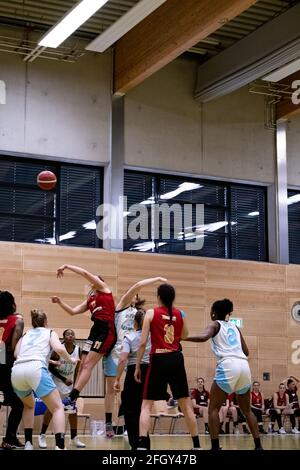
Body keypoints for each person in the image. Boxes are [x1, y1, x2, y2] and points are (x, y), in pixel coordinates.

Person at [186, 298, 263, 451]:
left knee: (213, 408)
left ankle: (215, 447)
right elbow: (246, 352)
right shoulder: (235, 327)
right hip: (244, 366)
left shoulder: (215, 324)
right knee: (247, 410)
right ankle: (258, 446)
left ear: (214, 313)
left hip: (228, 365)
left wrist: (183, 337)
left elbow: (203, 337)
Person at [134, 283, 201, 450]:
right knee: (185, 405)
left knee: (146, 405)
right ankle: (197, 445)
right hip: (176, 359)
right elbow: (184, 336)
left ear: (158, 297)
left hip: (158, 359)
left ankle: (142, 445)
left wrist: (137, 365)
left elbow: (142, 342)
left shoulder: (151, 313)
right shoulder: (180, 314)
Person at [103, 276, 166, 437]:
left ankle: (127, 425)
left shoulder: (143, 314)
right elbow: (137, 284)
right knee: (112, 389)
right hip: (118, 351)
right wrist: (157, 279)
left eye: (137, 294)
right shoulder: (121, 307)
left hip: (135, 355)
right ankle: (109, 424)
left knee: (131, 391)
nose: (135, 294)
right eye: (134, 293)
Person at [51, 264, 116, 414]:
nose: (92, 280)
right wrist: (60, 302)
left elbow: (86, 272)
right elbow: (73, 312)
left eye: (95, 279)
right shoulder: (91, 299)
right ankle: (72, 401)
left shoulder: (105, 289)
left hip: (106, 329)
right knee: (81, 366)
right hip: (95, 330)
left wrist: (66, 266)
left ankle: (72, 398)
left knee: (88, 366)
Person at [11, 309, 78, 450]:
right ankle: (60, 446)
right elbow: (59, 350)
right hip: (35, 369)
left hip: (17, 371)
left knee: (29, 406)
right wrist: (71, 360)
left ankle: (28, 443)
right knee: (58, 407)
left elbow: (17, 353)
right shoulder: (50, 332)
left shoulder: (26, 334)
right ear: (46, 322)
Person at [38, 329, 86, 449]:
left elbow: (77, 369)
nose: (71, 336)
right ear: (64, 337)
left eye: (72, 334)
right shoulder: (59, 349)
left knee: (72, 411)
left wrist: (76, 387)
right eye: (68, 334)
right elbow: (50, 367)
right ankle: (42, 435)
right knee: (51, 410)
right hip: (56, 383)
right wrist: (64, 379)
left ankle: (74, 437)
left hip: (69, 386)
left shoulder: (78, 350)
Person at [113, 310, 151, 450]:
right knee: (144, 410)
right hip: (150, 373)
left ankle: (136, 444)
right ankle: (145, 444)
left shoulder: (129, 337)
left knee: (130, 410)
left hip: (134, 373)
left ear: (134, 322)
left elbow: (122, 358)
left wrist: (117, 379)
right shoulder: (153, 337)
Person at [0, 291, 24, 449]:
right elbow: (15, 346)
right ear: (12, 304)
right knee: (18, 404)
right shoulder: (18, 320)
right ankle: (9, 438)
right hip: (4, 362)